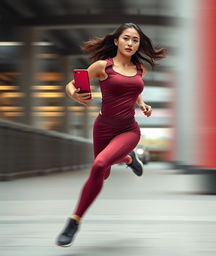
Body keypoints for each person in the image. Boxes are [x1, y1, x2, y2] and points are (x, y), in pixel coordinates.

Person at [56, 22, 167, 247]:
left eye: (135, 40)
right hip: (103, 127)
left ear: (139, 45)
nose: (131, 43)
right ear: (117, 41)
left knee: (98, 165)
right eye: (126, 38)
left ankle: (73, 221)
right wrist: (74, 95)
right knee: (103, 174)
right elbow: (71, 85)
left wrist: (143, 104)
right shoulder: (101, 67)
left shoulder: (139, 69)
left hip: (128, 129)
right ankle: (127, 158)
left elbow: (132, 90)